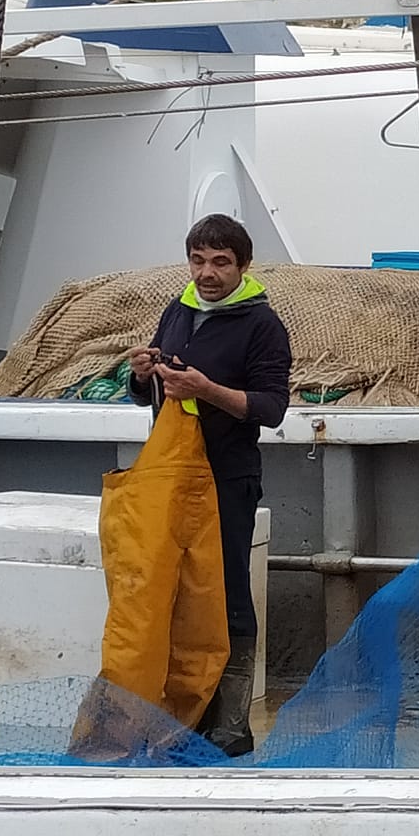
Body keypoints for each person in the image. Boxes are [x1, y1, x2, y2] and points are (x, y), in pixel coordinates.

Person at [125, 214, 293, 754]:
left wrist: (207, 388)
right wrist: (141, 374)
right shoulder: (179, 310)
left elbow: (270, 409)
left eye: (220, 262)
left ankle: (230, 724)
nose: (207, 273)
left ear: (243, 266)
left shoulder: (262, 325)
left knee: (227, 593)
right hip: (173, 476)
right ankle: (181, 712)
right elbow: (140, 395)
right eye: (198, 260)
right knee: (174, 590)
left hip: (227, 478)